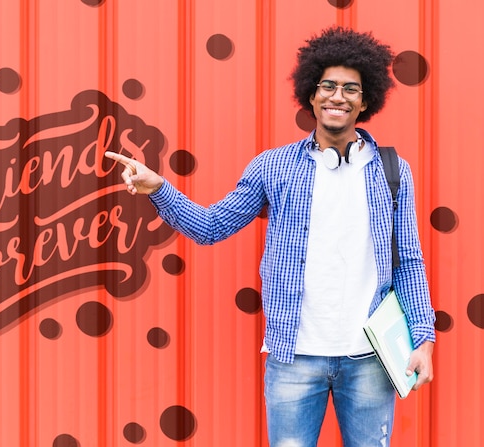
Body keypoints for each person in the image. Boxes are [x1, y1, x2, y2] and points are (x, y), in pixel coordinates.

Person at [105, 26, 435, 446]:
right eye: (327, 85)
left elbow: (407, 260)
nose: (338, 96)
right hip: (292, 355)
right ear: (310, 95)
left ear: (366, 99)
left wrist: (422, 338)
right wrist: (159, 189)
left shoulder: (392, 170)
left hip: (370, 358)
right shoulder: (272, 167)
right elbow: (210, 227)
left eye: (351, 89)